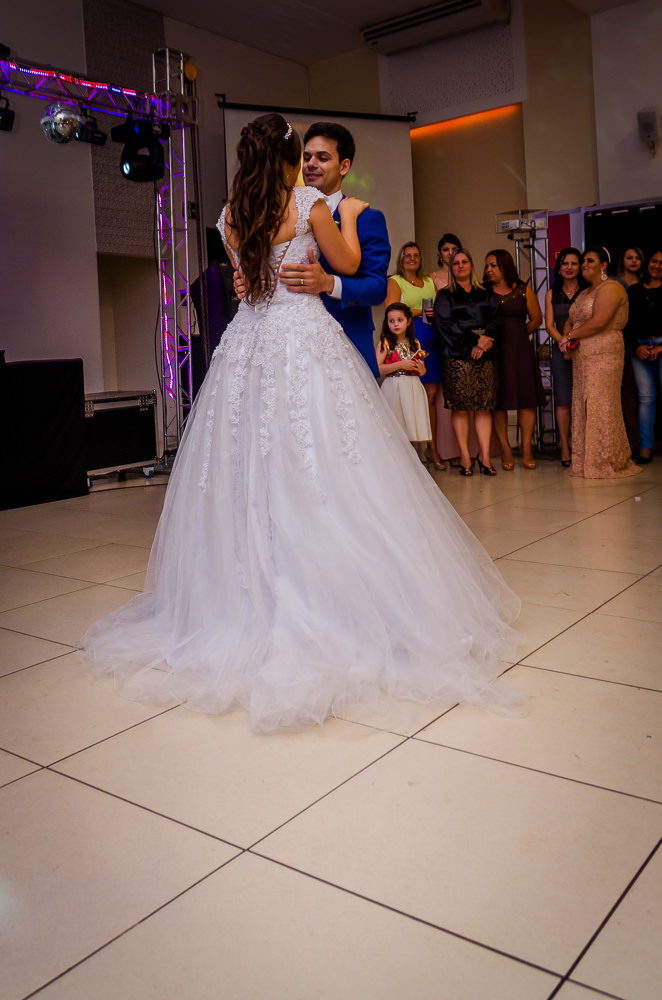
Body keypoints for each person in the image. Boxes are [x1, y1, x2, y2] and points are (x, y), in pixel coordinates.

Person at [81, 114, 525, 732]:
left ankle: (240, 602)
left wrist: (252, 275)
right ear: (293, 158)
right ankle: (342, 603)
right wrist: (341, 214)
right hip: (302, 339)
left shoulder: (230, 215)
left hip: (250, 345)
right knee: (326, 466)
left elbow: (248, 280)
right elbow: (343, 260)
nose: (313, 165)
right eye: (306, 156)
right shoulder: (311, 203)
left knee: (248, 469)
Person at [275, 121, 391, 378]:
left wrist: (329, 283)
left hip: (348, 340)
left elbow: (377, 288)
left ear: (344, 166)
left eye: (323, 158)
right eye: (307, 157)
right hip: (293, 345)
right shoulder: (282, 216)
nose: (311, 164)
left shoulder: (366, 218)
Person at [559, 246, 642, 479]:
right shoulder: (585, 293)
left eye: (590, 260)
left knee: (600, 405)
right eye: (583, 261)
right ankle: (586, 461)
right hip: (582, 358)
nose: (584, 264)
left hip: (605, 354)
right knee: (583, 405)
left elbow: (599, 322)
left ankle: (606, 460)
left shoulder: (612, 288)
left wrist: (570, 337)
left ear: (604, 265)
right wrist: (567, 336)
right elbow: (571, 320)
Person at [434, 248, 501, 477]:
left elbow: (496, 318)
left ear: (472, 265)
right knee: (461, 407)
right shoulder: (445, 295)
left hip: (486, 353)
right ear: (451, 268)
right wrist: (475, 340)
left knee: (484, 406)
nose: (460, 265)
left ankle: (484, 456)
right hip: (456, 354)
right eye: (456, 263)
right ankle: (464, 456)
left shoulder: (486, 291)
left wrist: (485, 341)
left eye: (465, 262)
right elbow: (446, 325)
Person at [384, 242, 444, 468]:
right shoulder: (395, 281)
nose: (411, 258)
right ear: (401, 259)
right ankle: (408, 453)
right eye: (406, 255)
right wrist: (420, 311)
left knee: (430, 397)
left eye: (415, 255)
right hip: (407, 344)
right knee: (407, 398)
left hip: (432, 344)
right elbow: (392, 308)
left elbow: (440, 309)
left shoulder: (429, 282)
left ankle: (432, 448)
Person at [484, 249, 544, 470]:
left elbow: (537, 319)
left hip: (520, 350)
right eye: (487, 266)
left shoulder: (522, 289)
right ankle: (505, 448)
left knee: (526, 399)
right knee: (498, 401)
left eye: (493, 265)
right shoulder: (485, 292)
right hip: (495, 351)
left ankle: (526, 446)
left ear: (505, 266)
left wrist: (519, 333)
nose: (488, 270)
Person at [544, 248, 584, 467]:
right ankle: (565, 447)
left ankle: (582, 445)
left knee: (584, 400)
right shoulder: (552, 293)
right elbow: (549, 325)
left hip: (585, 350)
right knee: (563, 401)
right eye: (565, 263)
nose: (569, 267)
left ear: (580, 267)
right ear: (558, 268)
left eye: (574, 263)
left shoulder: (588, 291)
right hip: (561, 351)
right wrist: (563, 342)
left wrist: (576, 342)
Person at [377, 302, 432, 450]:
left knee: (410, 429)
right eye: (391, 321)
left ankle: (411, 465)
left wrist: (420, 369)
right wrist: (401, 365)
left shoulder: (415, 342)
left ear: (408, 321)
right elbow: (378, 368)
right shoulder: (386, 342)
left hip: (413, 387)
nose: (395, 324)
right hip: (394, 387)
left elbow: (423, 372)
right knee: (397, 429)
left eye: (400, 320)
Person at [625, 249, 662, 464]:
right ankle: (645, 447)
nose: (657, 266)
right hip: (640, 348)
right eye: (654, 261)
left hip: (661, 346)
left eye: (661, 263)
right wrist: (634, 346)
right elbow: (626, 323)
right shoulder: (634, 290)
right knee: (646, 399)